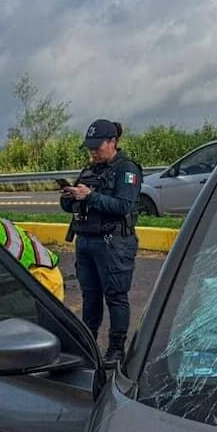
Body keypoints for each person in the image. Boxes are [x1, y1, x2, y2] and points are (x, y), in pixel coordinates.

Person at [60, 119, 142, 368]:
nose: (93, 151)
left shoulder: (126, 170)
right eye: (90, 147)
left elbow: (123, 206)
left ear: (113, 142)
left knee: (115, 296)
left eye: (98, 146)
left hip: (113, 243)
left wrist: (90, 196)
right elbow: (68, 206)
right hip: (85, 241)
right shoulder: (88, 171)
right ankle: (88, 343)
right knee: (90, 296)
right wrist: (70, 197)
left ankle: (116, 349)